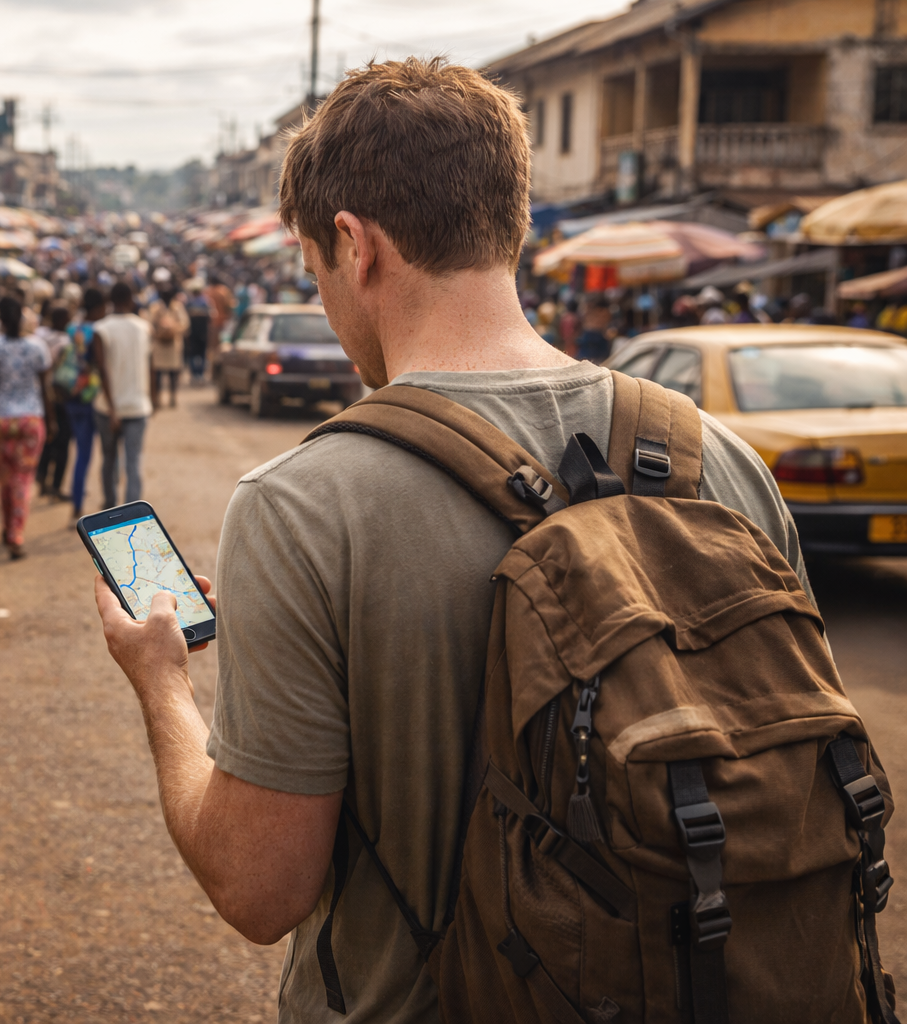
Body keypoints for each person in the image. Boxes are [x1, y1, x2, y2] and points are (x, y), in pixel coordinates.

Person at [92, 57, 811, 1022]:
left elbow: (260, 890)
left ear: (354, 245)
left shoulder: (303, 503)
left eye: (314, 271)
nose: (328, 304)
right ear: (509, 221)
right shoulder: (721, 460)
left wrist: (161, 681)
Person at [0, 295, 50, 559]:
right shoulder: (37, 346)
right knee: (23, 479)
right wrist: (51, 421)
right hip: (30, 418)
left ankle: (7, 526)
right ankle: (15, 532)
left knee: (5, 478)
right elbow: (45, 386)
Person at [90, 281, 153, 509]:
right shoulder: (144, 327)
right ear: (130, 300)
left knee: (109, 460)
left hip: (108, 408)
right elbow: (149, 365)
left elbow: (102, 369)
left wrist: (112, 408)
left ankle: (109, 506)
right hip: (137, 406)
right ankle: (132, 513)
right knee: (133, 463)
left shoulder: (101, 328)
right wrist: (152, 399)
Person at [58, 288, 107, 523]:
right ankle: (110, 505)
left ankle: (77, 504)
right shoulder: (99, 331)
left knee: (81, 454)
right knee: (104, 454)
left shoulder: (72, 329)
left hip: (71, 395)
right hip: (92, 395)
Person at [36, 305, 74, 499]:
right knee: (63, 442)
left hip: (42, 396)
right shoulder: (65, 342)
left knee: (47, 440)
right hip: (60, 396)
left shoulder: (40, 337)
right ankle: (56, 485)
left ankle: (42, 477)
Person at [145, 286, 186, 409]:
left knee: (173, 373)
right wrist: (160, 330)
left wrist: (173, 327)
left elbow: (185, 323)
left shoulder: (178, 307)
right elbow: (149, 324)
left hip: (173, 344)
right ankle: (157, 398)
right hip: (159, 344)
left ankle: (173, 397)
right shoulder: (155, 308)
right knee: (158, 373)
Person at [182, 279, 212, 383]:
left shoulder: (189, 302)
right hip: (202, 331)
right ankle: (200, 374)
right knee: (201, 353)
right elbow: (210, 316)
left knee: (193, 353)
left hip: (193, 332)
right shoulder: (205, 302)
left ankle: (195, 374)